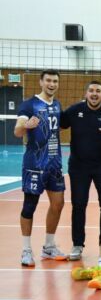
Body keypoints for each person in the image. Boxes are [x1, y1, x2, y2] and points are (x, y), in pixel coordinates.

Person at [61, 81, 101, 260]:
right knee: (78, 205)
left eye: (98, 91)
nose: (94, 94)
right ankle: (77, 244)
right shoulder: (74, 110)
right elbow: (59, 124)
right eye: (91, 91)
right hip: (79, 166)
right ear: (86, 93)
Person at [14, 69, 67, 266]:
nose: (52, 84)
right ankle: (26, 250)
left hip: (54, 164)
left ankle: (49, 246)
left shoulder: (57, 104)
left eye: (55, 81)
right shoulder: (29, 104)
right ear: (41, 82)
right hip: (34, 165)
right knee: (30, 206)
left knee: (58, 203)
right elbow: (17, 131)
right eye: (48, 81)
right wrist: (26, 126)